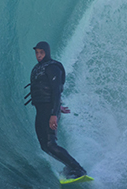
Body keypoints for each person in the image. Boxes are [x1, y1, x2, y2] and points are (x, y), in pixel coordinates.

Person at [26, 41, 87, 180]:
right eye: (37, 53)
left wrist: (54, 113)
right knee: (44, 145)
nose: (38, 55)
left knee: (50, 143)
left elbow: (56, 91)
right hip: (41, 110)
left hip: (50, 110)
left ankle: (78, 169)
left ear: (47, 52)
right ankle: (70, 166)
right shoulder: (38, 68)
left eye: (41, 53)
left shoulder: (53, 67)